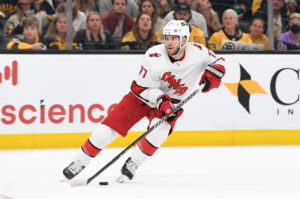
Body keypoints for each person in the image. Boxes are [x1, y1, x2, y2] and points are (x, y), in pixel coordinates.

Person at [62, 20, 226, 183]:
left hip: (173, 103)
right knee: (106, 131)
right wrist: (161, 100)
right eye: (167, 38)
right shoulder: (154, 56)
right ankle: (79, 162)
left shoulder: (198, 52)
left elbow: (219, 62)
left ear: (184, 40)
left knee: (159, 134)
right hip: (140, 98)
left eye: (174, 38)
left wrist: (215, 73)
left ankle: (133, 163)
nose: (169, 42)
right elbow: (141, 88)